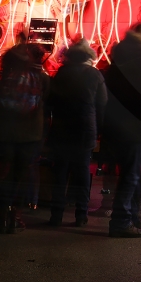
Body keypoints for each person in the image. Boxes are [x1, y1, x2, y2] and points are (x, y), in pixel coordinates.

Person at [103, 24, 141, 237]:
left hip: (116, 124)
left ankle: (132, 217)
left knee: (131, 173)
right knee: (130, 175)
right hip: (133, 125)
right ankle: (121, 221)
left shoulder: (118, 55)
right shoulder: (139, 57)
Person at [0, 43, 49, 233]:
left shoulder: (5, 77)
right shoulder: (41, 78)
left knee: (5, 175)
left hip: (7, 135)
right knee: (22, 177)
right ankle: (16, 217)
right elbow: (46, 106)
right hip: (31, 135)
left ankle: (1, 218)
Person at [47, 41, 107, 227]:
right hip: (84, 128)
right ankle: (81, 214)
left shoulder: (61, 74)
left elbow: (50, 101)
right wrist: (99, 128)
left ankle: (56, 215)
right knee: (82, 174)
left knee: (60, 174)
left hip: (61, 128)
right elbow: (102, 103)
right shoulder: (94, 74)